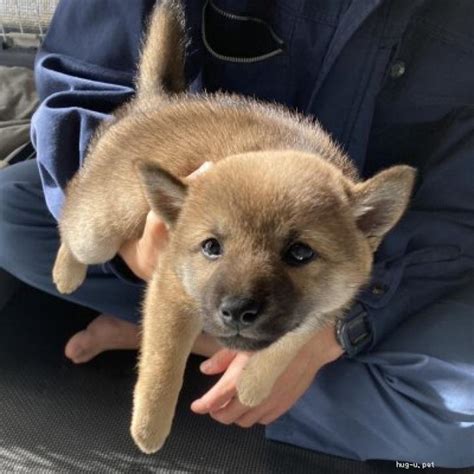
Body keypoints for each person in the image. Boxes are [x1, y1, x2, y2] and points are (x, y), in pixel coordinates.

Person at [0, 0, 473, 467]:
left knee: (461, 421)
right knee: (12, 215)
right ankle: (209, 337)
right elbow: (83, 81)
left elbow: (461, 201)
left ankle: (194, 341)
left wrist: (347, 322)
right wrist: (134, 244)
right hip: (178, 207)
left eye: (299, 253)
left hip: (409, 262)